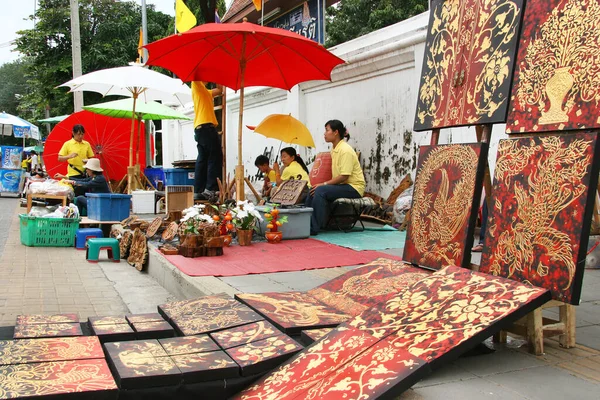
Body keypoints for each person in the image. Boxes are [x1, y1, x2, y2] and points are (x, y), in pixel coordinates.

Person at [305, 120, 366, 235]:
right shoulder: (334, 149)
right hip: (342, 185)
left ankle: (315, 227)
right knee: (312, 190)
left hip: (354, 187)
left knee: (320, 190)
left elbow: (344, 176)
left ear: (336, 132)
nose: (324, 133)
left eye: (327, 130)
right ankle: (305, 224)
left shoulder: (345, 150)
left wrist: (324, 184)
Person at [192, 81, 223, 201]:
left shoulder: (206, 91)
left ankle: (199, 190)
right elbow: (198, 76)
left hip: (202, 129)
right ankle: (210, 189)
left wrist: (220, 78)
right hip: (206, 127)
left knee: (203, 159)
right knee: (214, 157)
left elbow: (220, 90)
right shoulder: (196, 84)